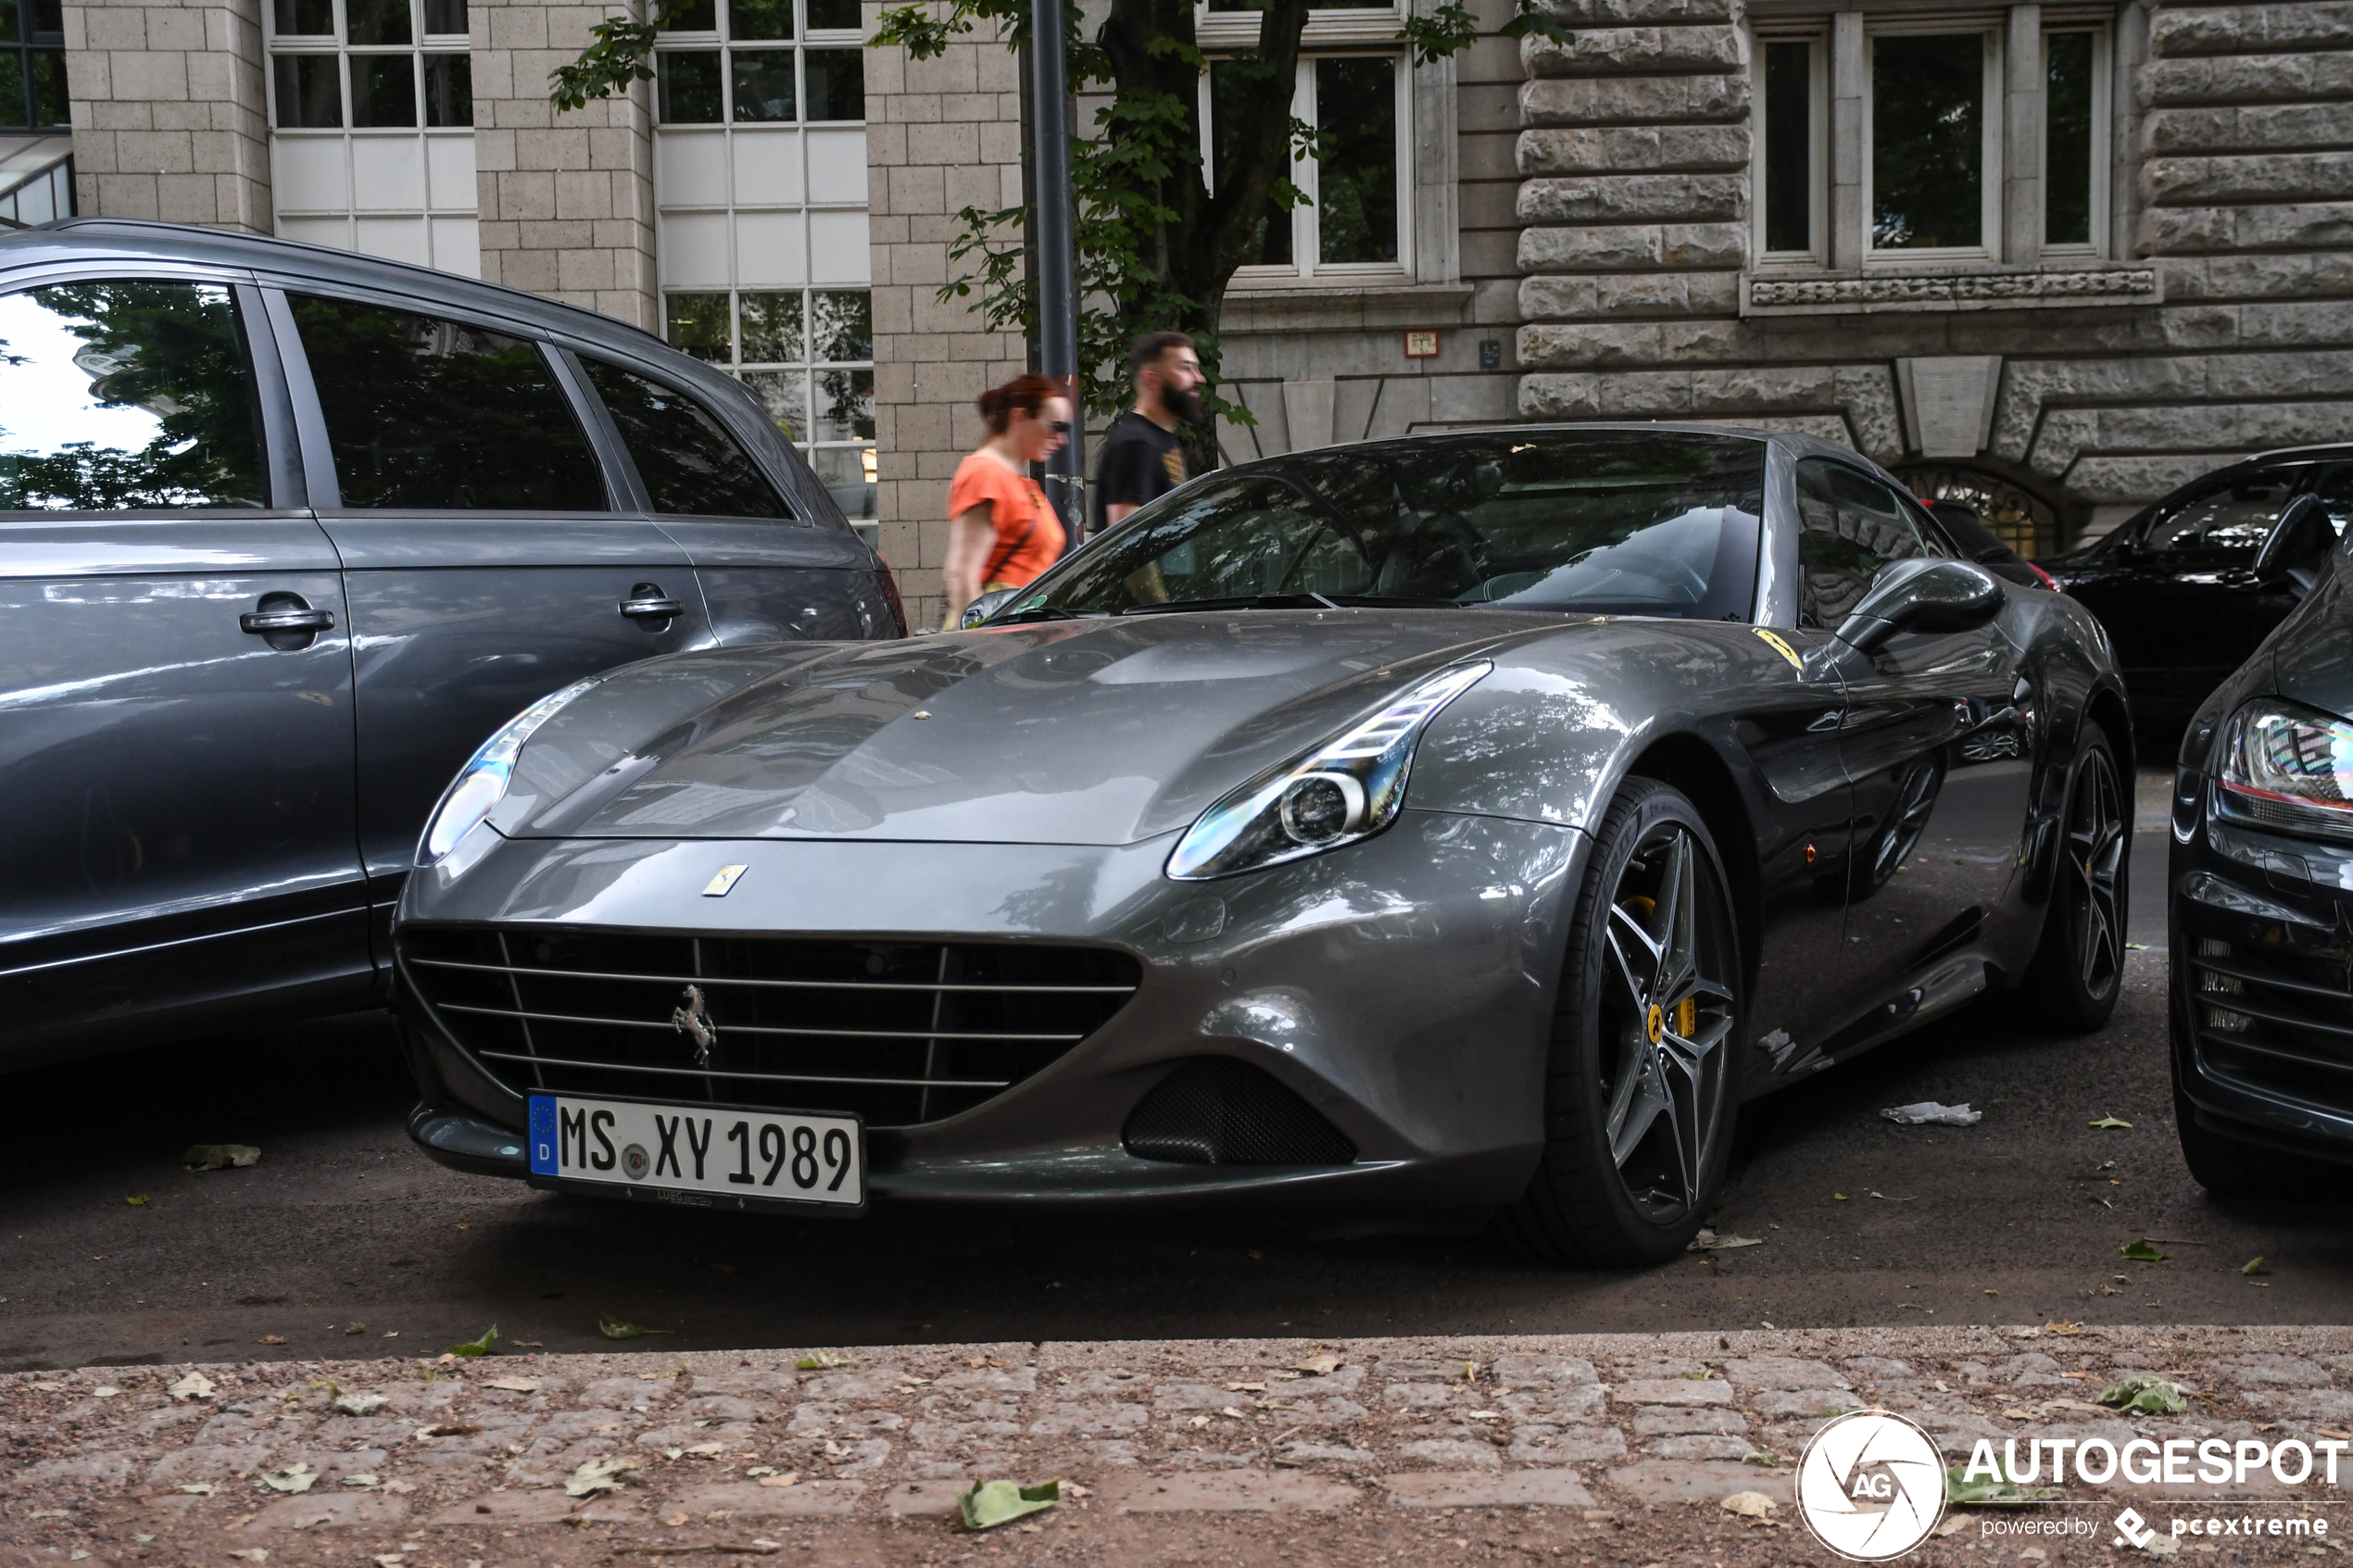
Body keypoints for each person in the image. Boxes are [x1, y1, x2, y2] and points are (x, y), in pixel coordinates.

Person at [943, 372, 1072, 629]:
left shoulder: (1015, 481)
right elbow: (962, 574)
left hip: (1016, 634)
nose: (1062, 439)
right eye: (1055, 426)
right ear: (1019, 417)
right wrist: (981, 648)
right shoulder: (985, 475)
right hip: (999, 637)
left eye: (1066, 429)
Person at [1093, 332, 1204, 533]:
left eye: (1196, 368)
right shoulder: (1136, 444)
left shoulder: (1163, 440)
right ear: (1151, 379)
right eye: (1185, 368)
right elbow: (1126, 541)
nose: (1199, 378)